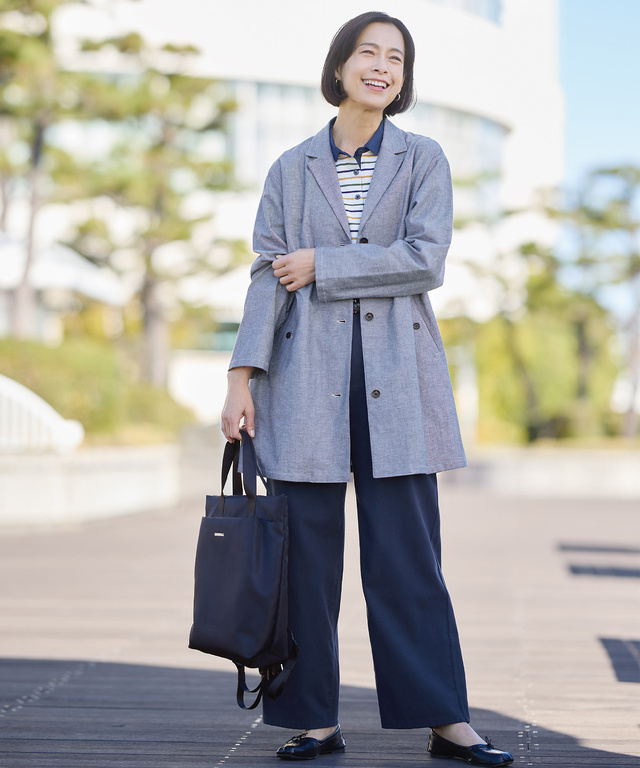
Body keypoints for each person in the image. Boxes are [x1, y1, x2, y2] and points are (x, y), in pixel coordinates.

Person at [221, 11, 513, 767]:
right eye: (368, 53)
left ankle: (447, 720)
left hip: (398, 381)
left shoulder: (424, 158)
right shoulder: (291, 167)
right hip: (301, 381)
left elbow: (425, 258)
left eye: (396, 58)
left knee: (408, 560)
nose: (382, 67)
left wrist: (323, 263)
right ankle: (313, 719)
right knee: (305, 565)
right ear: (340, 66)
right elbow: (266, 275)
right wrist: (240, 376)